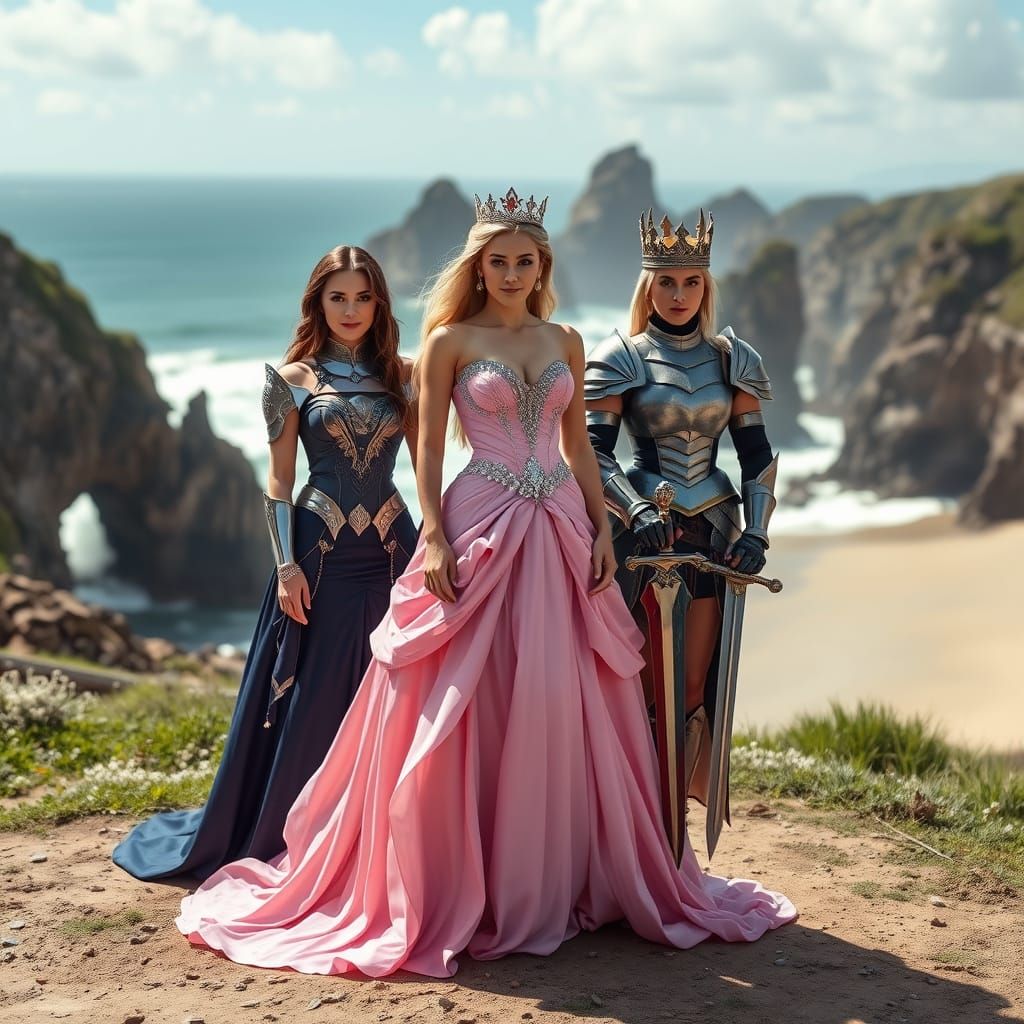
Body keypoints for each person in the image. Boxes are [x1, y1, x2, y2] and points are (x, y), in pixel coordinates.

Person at [174, 190, 795, 977]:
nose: (510, 271)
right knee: (460, 694)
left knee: (555, 691)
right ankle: (454, 871)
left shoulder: (567, 339)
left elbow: (580, 450)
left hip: (563, 526)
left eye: (524, 260)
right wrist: (433, 535)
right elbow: (426, 452)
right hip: (479, 519)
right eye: (496, 260)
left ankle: (554, 869)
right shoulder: (449, 342)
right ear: (479, 266)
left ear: (542, 266)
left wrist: (601, 531)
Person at [113, 245, 417, 881]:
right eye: (339, 298)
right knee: (319, 688)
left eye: (364, 298)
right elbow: (278, 484)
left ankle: (385, 831)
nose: (352, 309)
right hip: (320, 551)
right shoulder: (293, 379)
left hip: (393, 549)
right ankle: (299, 829)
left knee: (394, 684)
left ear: (379, 303)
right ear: (318, 303)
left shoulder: (404, 376)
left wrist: (445, 535)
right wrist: (285, 567)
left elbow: (427, 467)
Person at [584, 209, 778, 851]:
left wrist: (756, 531)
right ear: (648, 286)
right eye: (666, 282)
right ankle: (630, 833)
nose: (677, 294)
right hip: (639, 536)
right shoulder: (620, 356)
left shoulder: (735, 358)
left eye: (689, 282)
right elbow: (595, 453)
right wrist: (633, 511)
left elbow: (757, 457)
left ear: (704, 285)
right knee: (636, 684)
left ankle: (676, 836)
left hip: (714, 537)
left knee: (694, 686)